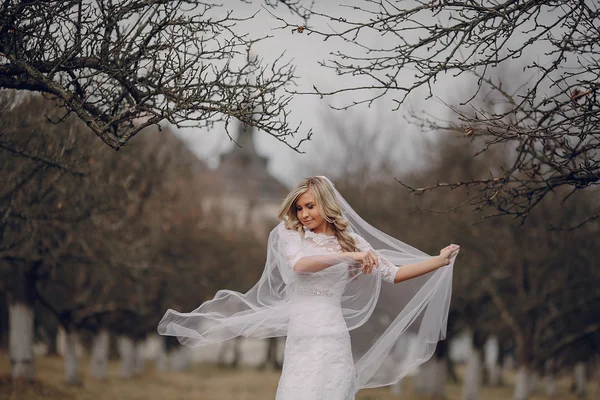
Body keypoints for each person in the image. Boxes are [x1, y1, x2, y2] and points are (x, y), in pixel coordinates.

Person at [158, 176, 459, 400]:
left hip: (333, 336)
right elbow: (301, 265)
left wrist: (439, 260)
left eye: (310, 206)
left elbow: (394, 273)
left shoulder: (352, 241)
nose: (303, 214)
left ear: (326, 204)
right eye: (299, 208)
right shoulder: (291, 235)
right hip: (304, 336)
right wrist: (347, 256)